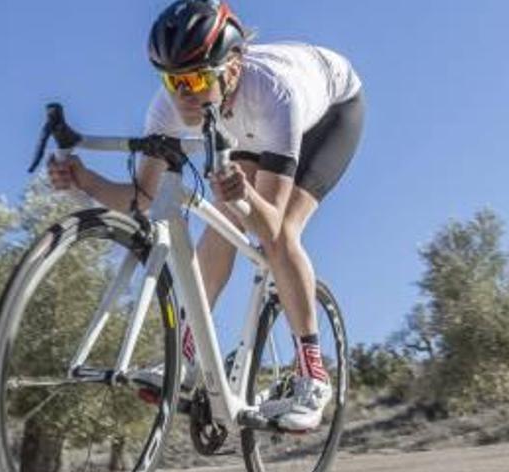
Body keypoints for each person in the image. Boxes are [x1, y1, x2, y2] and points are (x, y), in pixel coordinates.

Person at [47, 0, 364, 431]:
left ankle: (313, 375)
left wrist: (247, 194)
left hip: (328, 114)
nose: (184, 95)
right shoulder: (167, 108)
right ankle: (190, 355)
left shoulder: (275, 94)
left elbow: (268, 222)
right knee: (222, 221)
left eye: (195, 79)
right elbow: (141, 198)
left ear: (231, 68)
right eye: (173, 80)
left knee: (280, 236)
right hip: (244, 124)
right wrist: (84, 179)